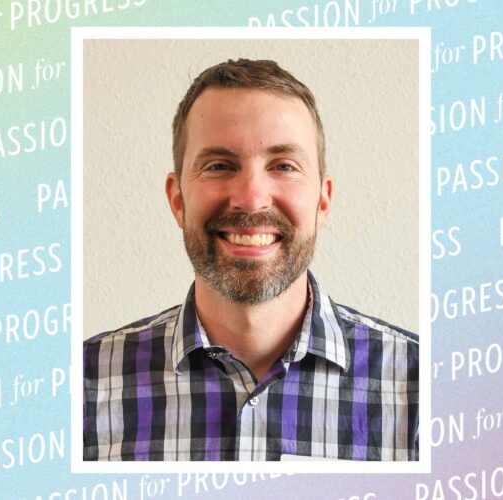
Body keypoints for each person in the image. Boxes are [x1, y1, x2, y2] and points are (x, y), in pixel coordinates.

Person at [83, 58, 418, 461]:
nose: (251, 198)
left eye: (284, 166)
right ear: (177, 199)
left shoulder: (423, 387)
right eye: (219, 166)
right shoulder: (83, 386)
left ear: (322, 201)